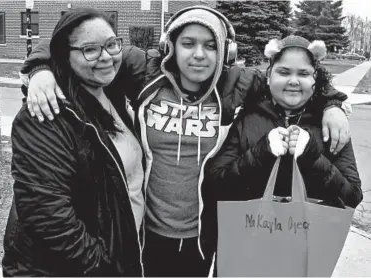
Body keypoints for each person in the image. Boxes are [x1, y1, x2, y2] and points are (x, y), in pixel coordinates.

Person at [18, 6, 351, 277]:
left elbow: (292, 82)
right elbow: (76, 40)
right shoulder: (144, 71)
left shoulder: (239, 83)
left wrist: (333, 103)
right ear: (170, 46)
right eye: (188, 43)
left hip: (200, 239)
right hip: (142, 234)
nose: (199, 55)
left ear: (224, 51)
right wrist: (40, 70)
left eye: (210, 45)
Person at [2, 8, 145, 277]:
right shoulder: (45, 113)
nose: (106, 56)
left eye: (112, 44)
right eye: (90, 49)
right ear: (65, 57)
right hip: (73, 268)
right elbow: (48, 216)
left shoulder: (112, 92)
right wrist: (104, 267)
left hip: (118, 254)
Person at [205, 35, 363, 228]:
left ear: (316, 79)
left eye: (303, 74)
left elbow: (352, 196)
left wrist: (312, 158)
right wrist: (260, 153)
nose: (293, 81)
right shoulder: (247, 118)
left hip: (308, 246)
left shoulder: (330, 124)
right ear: (269, 78)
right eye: (284, 72)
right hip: (248, 242)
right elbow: (215, 186)